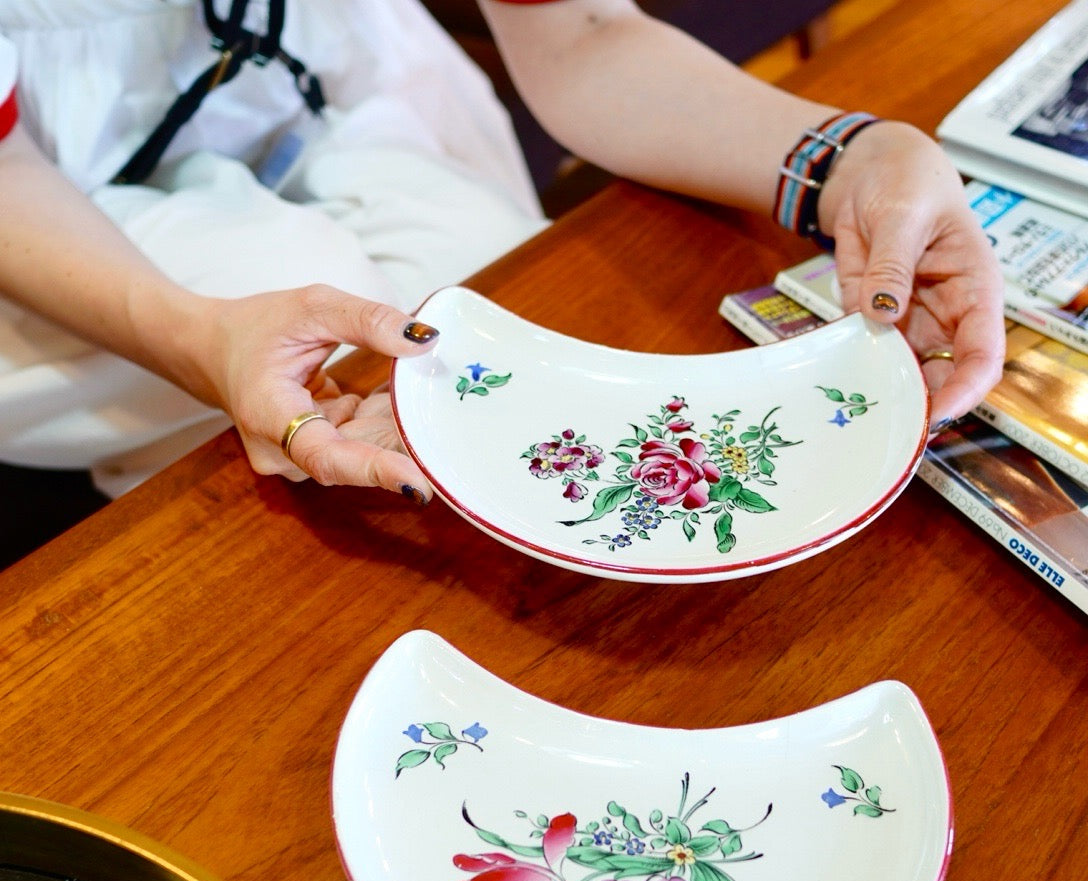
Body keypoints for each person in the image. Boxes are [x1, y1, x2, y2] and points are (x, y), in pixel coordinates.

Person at [0, 0, 1005, 508]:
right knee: (301, 392)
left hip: (325, 61)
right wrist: (196, 342)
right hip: (39, 185)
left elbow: (577, 29)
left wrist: (843, 162)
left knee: (487, 305)